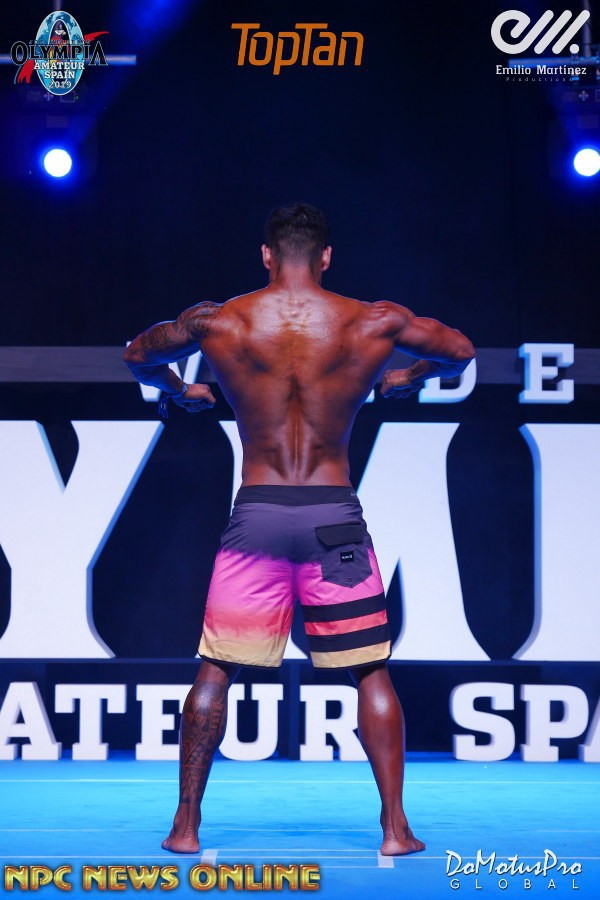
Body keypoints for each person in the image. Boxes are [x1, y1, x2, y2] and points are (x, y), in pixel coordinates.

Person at [124, 203, 475, 857]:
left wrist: (176, 389)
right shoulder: (373, 321)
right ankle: (395, 829)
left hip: (256, 517)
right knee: (369, 670)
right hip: (333, 519)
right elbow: (460, 353)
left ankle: (184, 827)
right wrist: (406, 377)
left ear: (265, 255)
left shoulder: (217, 321)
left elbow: (137, 354)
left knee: (216, 668)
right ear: (327, 257)